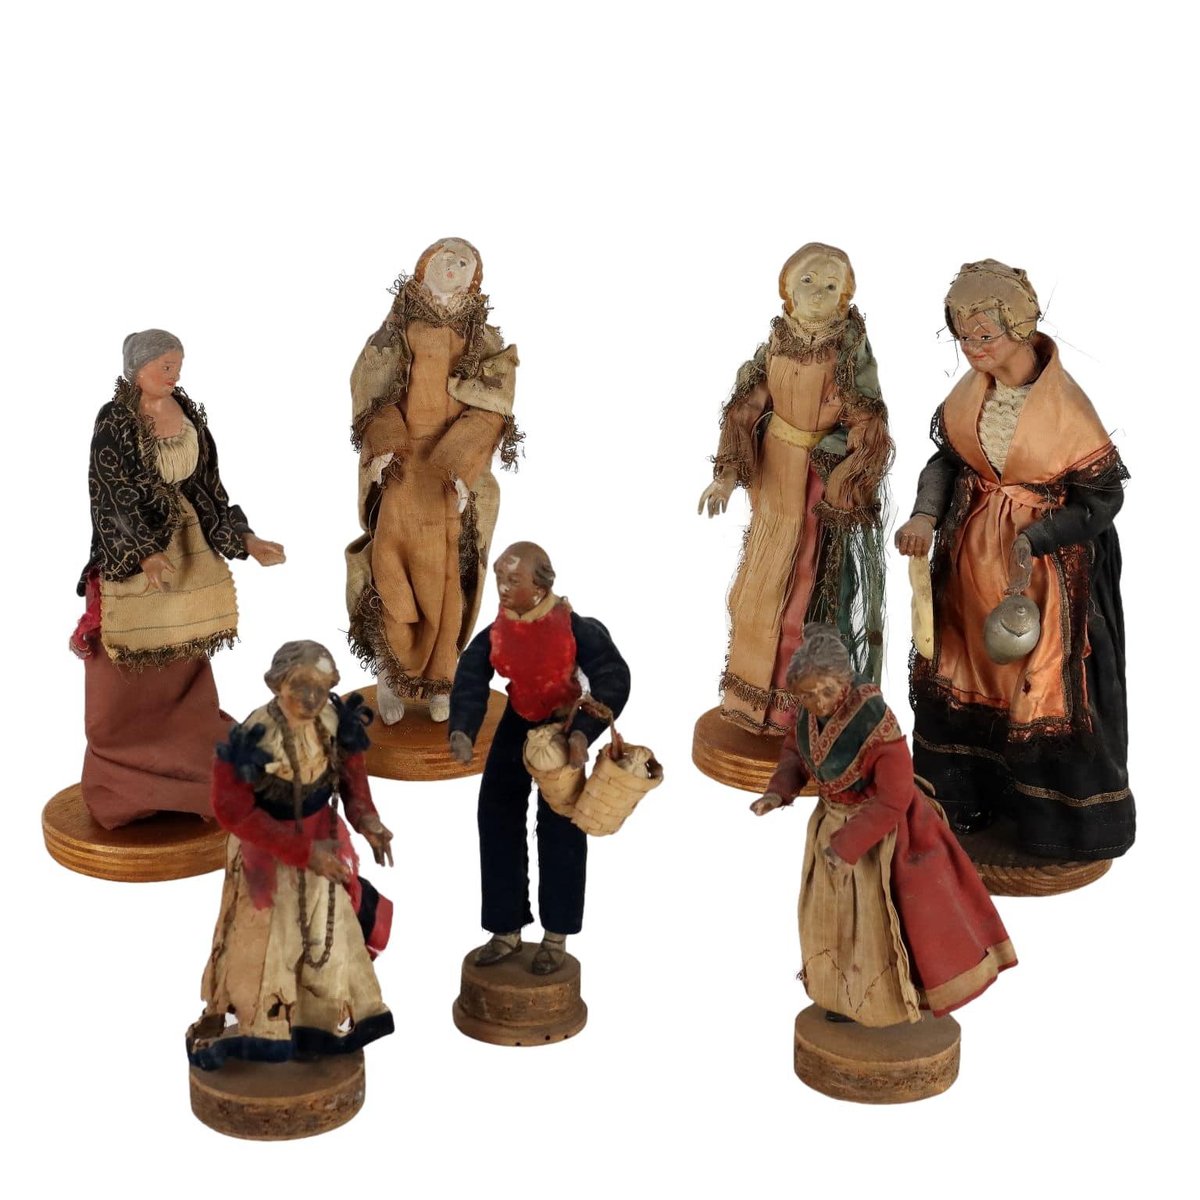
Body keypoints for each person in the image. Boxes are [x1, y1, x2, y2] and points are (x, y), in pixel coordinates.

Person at [894, 260, 1133, 862]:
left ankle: (1050, 825)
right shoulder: (970, 395)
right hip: (971, 567)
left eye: (984, 335)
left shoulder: (1066, 409)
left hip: (1043, 582)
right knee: (965, 669)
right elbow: (947, 462)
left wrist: (1039, 536)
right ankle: (966, 801)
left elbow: (1103, 499)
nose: (972, 348)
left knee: (1039, 683)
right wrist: (924, 515)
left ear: (1020, 327)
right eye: (962, 336)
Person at [71, 330, 285, 829]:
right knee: (124, 666)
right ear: (137, 368)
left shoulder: (186, 414)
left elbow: (209, 489)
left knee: (184, 659)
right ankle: (127, 769)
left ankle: (188, 749)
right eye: (165, 366)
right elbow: (109, 495)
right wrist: (144, 553)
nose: (174, 374)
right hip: (133, 563)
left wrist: (245, 540)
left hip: (189, 558)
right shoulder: (115, 420)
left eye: (178, 365)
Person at [752, 625, 1015, 1026]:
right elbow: (796, 751)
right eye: (806, 696)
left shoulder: (875, 725)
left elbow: (894, 798)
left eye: (822, 692)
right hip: (829, 828)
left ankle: (879, 1003)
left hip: (879, 840)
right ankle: (838, 995)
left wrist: (847, 846)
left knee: (872, 926)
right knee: (829, 919)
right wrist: (778, 791)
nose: (814, 702)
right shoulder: (810, 709)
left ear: (842, 683)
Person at [699, 243, 891, 735]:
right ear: (787, 289)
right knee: (757, 590)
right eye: (808, 281)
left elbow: (867, 420)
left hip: (814, 483)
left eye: (831, 285)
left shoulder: (848, 351)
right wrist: (726, 475)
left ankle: (789, 713)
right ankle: (747, 702)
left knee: (802, 589)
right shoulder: (778, 342)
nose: (818, 293)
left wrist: (845, 478)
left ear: (845, 297)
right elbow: (746, 406)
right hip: (773, 476)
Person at [187, 641, 394, 1068]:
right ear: (276, 684)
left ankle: (317, 1026)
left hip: (323, 847)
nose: (312, 698)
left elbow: (352, 781)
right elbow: (231, 809)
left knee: (327, 930)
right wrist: (301, 851)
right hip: (265, 856)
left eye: (322, 687)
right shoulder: (254, 737)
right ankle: (263, 1030)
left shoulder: (335, 721)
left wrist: (368, 821)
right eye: (301, 685)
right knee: (268, 941)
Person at [345, 238, 521, 726]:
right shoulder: (398, 327)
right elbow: (372, 387)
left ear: (474, 279)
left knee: (446, 580)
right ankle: (391, 671)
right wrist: (384, 446)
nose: (454, 267)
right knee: (392, 569)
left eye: (465, 263)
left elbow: (494, 405)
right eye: (447, 258)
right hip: (404, 467)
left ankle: (441, 678)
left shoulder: (483, 338)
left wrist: (462, 464)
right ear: (425, 266)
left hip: (450, 475)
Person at [448, 542, 630, 974]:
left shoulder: (573, 627)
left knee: (561, 827)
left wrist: (583, 732)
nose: (502, 588)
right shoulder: (500, 628)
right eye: (499, 577)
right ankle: (505, 929)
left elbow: (614, 676)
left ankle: (555, 937)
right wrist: (462, 728)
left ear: (540, 585)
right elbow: (471, 673)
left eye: (513, 580)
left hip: (563, 728)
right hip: (519, 719)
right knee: (496, 814)